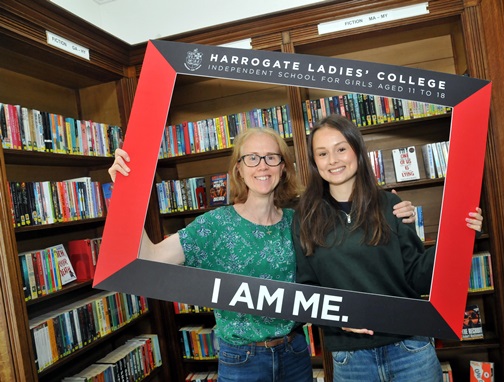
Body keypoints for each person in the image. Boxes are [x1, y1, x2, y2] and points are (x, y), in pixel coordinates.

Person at [109, 126, 417, 382]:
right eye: (252, 158)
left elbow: (347, 257)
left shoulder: (299, 220)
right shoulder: (215, 225)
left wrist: (394, 212)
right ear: (239, 169)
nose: (262, 166)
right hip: (242, 361)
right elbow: (147, 260)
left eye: (271, 157)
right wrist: (126, 192)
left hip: (296, 353)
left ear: (283, 168)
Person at [293, 114, 483, 382]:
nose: (333, 160)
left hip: (409, 348)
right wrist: (336, 318)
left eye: (341, 149)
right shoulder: (305, 218)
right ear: (314, 162)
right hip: (350, 359)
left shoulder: (389, 205)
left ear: (357, 151)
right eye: (322, 153)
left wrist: (459, 240)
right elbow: (306, 287)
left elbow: (417, 275)